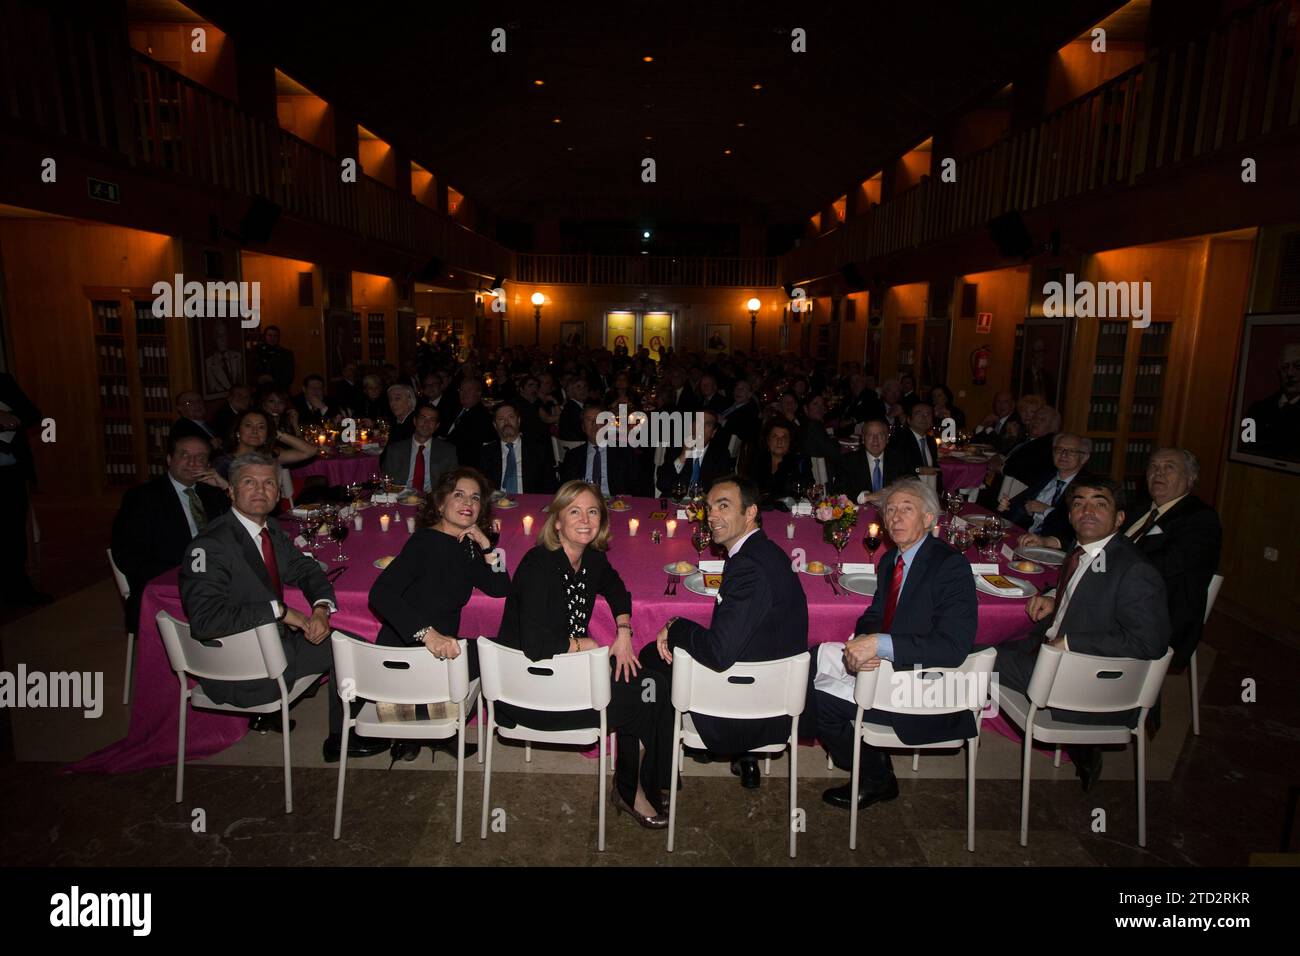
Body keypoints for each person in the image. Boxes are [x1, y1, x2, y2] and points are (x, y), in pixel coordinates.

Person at [178, 453, 386, 761]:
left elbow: (305, 569)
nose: (260, 491)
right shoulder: (211, 544)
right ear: (231, 491)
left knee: (340, 632)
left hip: (272, 648)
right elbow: (205, 620)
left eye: (269, 484)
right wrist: (280, 611)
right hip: (241, 672)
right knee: (352, 645)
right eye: (249, 483)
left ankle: (307, 717)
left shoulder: (268, 529)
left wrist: (320, 608)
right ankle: (342, 739)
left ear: (278, 494)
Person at [496, 481, 674, 828]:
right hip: (535, 689)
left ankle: (647, 782)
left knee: (651, 683)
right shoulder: (538, 566)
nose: (585, 519)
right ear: (557, 521)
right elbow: (534, 643)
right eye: (574, 511)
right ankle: (635, 789)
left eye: (593, 511)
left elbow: (617, 588)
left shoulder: (590, 558)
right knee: (644, 695)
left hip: (571, 675)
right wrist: (587, 645)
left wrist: (623, 632)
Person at [805, 478, 977, 810]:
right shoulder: (891, 560)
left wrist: (881, 645)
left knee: (816, 700)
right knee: (810, 660)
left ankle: (877, 777)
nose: (895, 518)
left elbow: (953, 647)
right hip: (893, 666)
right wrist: (865, 644)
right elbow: (874, 613)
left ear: (929, 519)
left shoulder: (949, 566)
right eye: (890, 510)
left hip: (927, 686)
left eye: (906, 509)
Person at [994, 477, 1170, 790]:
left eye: (1099, 504)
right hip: (1052, 655)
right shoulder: (1084, 551)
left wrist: (1072, 641)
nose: (1087, 510)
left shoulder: (1134, 569)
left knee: (976, 654)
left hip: (1086, 687)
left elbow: (1150, 642)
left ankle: (931, 722)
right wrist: (1054, 597)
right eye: (1079, 503)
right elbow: (1090, 596)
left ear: (1119, 518)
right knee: (994, 633)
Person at [645, 474, 809, 790]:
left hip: (750, 712)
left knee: (651, 659)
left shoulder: (749, 567)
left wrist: (675, 626)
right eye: (709, 508)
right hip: (769, 691)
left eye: (724, 506)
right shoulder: (764, 552)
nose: (713, 516)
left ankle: (660, 775)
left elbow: (719, 654)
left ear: (750, 512)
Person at [368, 467, 508, 762]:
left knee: (498, 646)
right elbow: (380, 594)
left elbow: (499, 588)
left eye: (474, 497)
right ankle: (424, 727)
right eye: (458, 495)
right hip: (410, 656)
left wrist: (486, 546)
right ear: (440, 504)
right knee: (502, 650)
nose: (467, 502)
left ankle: (426, 730)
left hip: (438, 656)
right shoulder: (424, 543)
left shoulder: (465, 545)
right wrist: (427, 634)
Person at [111, 434, 231, 634]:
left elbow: (245, 526)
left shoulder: (213, 491)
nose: (192, 462)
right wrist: (190, 571)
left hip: (217, 573)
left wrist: (226, 487)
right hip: (170, 583)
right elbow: (128, 555)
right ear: (169, 459)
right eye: (185, 455)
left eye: (200, 457)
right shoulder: (142, 497)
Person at [1120, 448, 1221, 673]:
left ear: (1190, 478)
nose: (1159, 473)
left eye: (1169, 467)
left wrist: (1111, 569)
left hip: (1156, 615)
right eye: (1154, 467)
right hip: (1121, 594)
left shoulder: (1200, 518)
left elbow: (1165, 566)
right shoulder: (1138, 509)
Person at [0, 372, 51, 606]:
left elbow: (32, 414)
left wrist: (9, 417)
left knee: (13, 532)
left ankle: (18, 588)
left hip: (10, 471)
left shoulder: (3, 381)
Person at [1001, 433, 1092, 541]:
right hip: (1025, 538)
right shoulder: (1045, 476)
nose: (1063, 455)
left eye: (1071, 451)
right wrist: (1006, 507)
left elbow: (1077, 526)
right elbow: (1019, 505)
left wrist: (1046, 510)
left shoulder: (1088, 487)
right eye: (1059, 449)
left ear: (1084, 458)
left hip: (1055, 547)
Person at [560, 402, 640, 496]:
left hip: (615, 504)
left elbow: (637, 485)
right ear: (583, 427)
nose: (594, 424)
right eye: (589, 420)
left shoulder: (624, 451)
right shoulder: (573, 455)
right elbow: (565, 488)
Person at [214, 409, 317, 480]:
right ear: (238, 432)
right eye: (248, 425)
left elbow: (310, 451)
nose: (255, 431)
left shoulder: (268, 456)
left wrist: (276, 433)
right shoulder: (224, 462)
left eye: (261, 427)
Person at [481, 401, 556, 494]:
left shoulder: (538, 450)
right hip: (497, 503)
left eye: (511, 417)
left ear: (518, 420)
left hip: (529, 502)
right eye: (501, 419)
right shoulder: (486, 453)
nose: (507, 422)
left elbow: (550, 484)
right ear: (495, 425)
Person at [1244, 341, 1300, 460]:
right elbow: (1246, 449)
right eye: (1285, 367)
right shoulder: (1257, 410)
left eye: (1298, 366)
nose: (1290, 373)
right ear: (1279, 372)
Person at [656, 409, 732, 496]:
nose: (701, 428)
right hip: (674, 501)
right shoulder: (676, 447)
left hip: (703, 505)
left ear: (713, 433)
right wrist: (683, 457)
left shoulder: (721, 455)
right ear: (692, 427)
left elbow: (722, 489)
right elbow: (662, 484)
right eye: (698, 423)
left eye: (707, 424)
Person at [384, 404, 457, 493]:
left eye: (432, 420)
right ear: (415, 421)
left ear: (437, 426)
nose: (426, 423)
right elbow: (387, 482)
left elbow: (451, 484)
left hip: (432, 500)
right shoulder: (395, 450)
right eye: (423, 418)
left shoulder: (448, 451)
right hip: (401, 498)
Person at [835, 419, 906, 502]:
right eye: (870, 435)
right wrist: (867, 497)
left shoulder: (899, 459)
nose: (875, 440)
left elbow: (913, 483)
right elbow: (840, 491)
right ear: (863, 439)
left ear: (887, 438)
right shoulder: (848, 461)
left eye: (880, 435)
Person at [746, 421, 807, 506]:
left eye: (784, 437)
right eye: (775, 436)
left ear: (790, 442)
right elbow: (748, 489)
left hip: (788, 512)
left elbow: (804, 489)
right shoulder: (757, 460)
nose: (779, 441)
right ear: (768, 441)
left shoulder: (799, 462)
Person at [888, 402, 944, 494]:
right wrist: (919, 470)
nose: (924, 417)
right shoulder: (899, 439)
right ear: (909, 419)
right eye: (919, 413)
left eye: (928, 414)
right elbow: (897, 468)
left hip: (929, 491)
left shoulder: (931, 441)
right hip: (907, 490)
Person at [445, 378, 496, 465]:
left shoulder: (481, 417)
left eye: (469, 390)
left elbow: (469, 449)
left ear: (479, 393)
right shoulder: (455, 409)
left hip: (460, 463)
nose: (464, 393)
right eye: (461, 390)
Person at [203, 322, 244, 394]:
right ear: (214, 339)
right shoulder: (208, 363)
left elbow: (241, 380)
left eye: (224, 335)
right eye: (219, 336)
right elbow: (213, 388)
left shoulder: (237, 356)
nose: (222, 340)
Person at [251, 325, 295, 391]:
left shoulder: (286, 354)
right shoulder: (256, 352)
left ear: (279, 337)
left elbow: (289, 376)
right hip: (260, 389)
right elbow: (250, 371)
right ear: (265, 336)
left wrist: (273, 379)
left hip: (280, 389)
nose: (272, 338)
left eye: (275, 336)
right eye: (269, 335)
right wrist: (258, 379)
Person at [557, 378, 588, 442]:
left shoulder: (572, 406)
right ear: (570, 391)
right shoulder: (572, 409)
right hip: (576, 445)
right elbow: (581, 433)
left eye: (585, 386)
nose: (583, 390)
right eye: (578, 387)